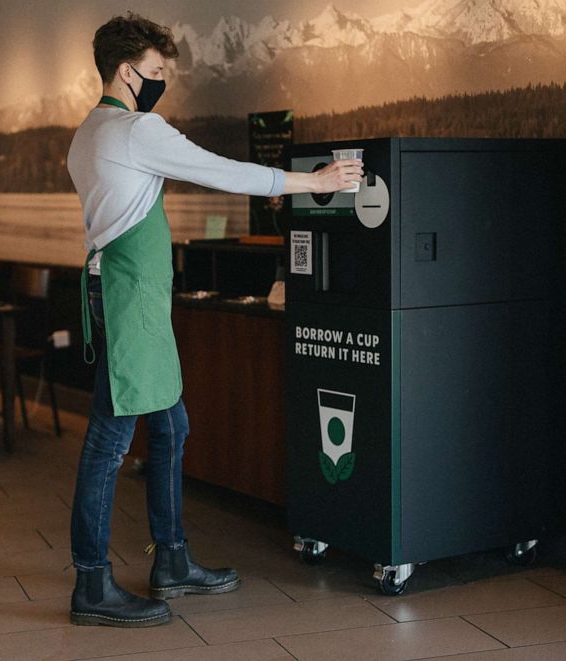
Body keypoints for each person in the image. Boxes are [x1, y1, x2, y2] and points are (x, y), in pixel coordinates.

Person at [66, 12, 363, 628]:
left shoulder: (87, 133)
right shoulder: (132, 129)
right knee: (107, 444)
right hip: (130, 302)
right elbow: (217, 169)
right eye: (154, 72)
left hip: (126, 296)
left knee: (172, 427)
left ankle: (171, 559)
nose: (159, 82)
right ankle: (91, 585)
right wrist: (315, 180)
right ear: (127, 71)